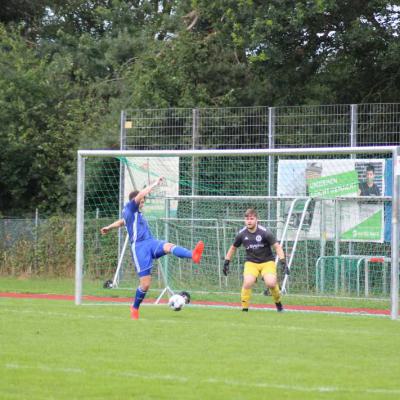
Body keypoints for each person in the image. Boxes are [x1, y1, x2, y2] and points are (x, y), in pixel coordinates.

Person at [100, 176, 204, 320]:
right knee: (145, 284)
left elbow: (122, 222)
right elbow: (140, 195)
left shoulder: (133, 213)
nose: (142, 202)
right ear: (134, 200)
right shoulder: (130, 207)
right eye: (140, 200)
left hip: (150, 242)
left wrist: (109, 227)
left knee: (168, 246)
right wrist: (155, 183)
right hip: (139, 248)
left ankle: (193, 255)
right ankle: (135, 308)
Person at [222, 208, 288, 312]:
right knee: (248, 282)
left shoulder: (265, 232)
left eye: (251, 219)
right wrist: (226, 261)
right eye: (247, 219)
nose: (249, 221)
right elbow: (233, 247)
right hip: (251, 263)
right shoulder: (241, 234)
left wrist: (283, 262)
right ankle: (244, 310)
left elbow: (277, 247)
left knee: (270, 283)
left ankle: (278, 304)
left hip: (267, 262)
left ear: (256, 220)